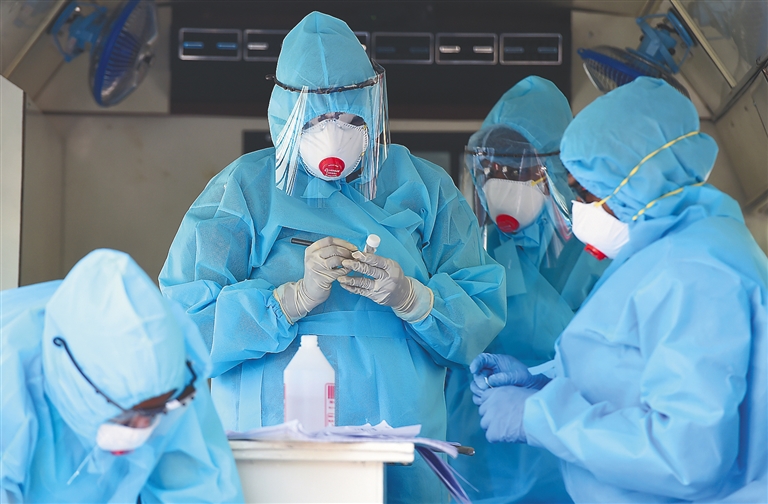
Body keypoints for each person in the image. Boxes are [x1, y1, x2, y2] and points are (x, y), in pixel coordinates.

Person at [158, 11, 506, 504]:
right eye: (316, 121)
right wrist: (287, 302)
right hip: (270, 452)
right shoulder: (244, 191)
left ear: (373, 108)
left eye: (349, 120)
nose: (333, 135)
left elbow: (480, 314)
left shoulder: (424, 188)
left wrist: (412, 298)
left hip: (399, 447)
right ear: (285, 115)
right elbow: (185, 325)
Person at [471, 77, 768, 502]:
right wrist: (543, 381)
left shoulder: (698, 272)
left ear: (638, 180)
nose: (579, 207)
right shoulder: (666, 252)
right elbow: (636, 373)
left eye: (586, 191)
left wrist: (539, 418)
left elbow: (687, 455)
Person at [445, 76, 607, 503]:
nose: (503, 184)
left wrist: (540, 379)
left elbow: (611, 369)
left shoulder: (596, 255)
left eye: (521, 170)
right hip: (475, 460)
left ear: (558, 171)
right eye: (493, 170)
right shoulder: (476, 253)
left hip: (564, 463)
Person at [0, 249, 244, 503]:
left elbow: (198, 487)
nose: (142, 430)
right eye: (127, 416)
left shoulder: (174, 384)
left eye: (155, 412)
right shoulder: (9, 385)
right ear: (80, 384)